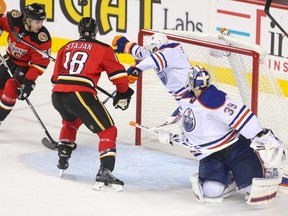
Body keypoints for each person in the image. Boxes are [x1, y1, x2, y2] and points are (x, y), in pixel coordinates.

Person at [157, 65, 285, 206]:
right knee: (212, 192)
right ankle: (231, 178)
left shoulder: (214, 100)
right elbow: (182, 113)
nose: (198, 89)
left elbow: (242, 115)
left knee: (252, 189)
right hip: (210, 154)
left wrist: (262, 136)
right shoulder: (186, 98)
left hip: (235, 149)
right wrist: (169, 127)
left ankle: (266, 172)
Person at [51, 17, 134, 192]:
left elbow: (54, 78)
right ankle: (105, 171)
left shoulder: (65, 47)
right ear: (96, 32)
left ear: (79, 31)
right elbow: (119, 76)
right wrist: (123, 92)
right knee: (108, 130)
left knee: (70, 122)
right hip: (80, 94)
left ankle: (63, 157)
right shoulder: (103, 49)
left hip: (58, 94)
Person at [112, 33, 193, 119]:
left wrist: (136, 70)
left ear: (156, 46)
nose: (150, 52)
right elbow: (141, 52)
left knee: (183, 127)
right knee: (175, 125)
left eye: (152, 49)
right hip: (183, 101)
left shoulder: (173, 50)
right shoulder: (155, 52)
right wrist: (125, 45)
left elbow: (154, 59)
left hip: (193, 97)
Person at [0, 3, 51, 125]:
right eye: (37, 22)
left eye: (41, 22)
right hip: (9, 59)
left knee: (12, 87)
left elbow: (39, 64)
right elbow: (1, 21)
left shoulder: (41, 38)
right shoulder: (14, 20)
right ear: (27, 20)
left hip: (24, 66)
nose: (40, 25)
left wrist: (28, 82)